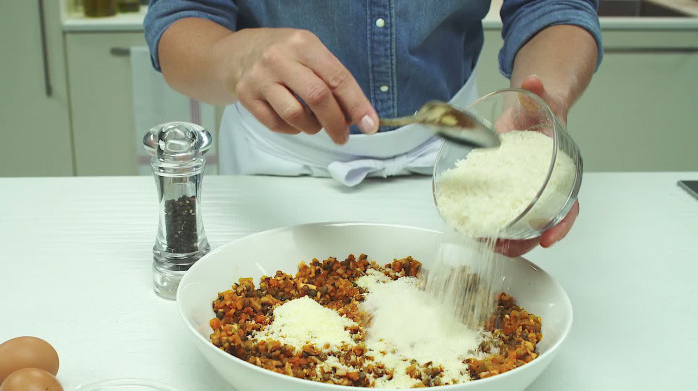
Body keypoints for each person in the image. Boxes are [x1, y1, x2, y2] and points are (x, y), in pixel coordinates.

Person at [142, 1, 601, 256]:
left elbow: (553, 5)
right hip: (279, 171)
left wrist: (545, 102)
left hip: (453, 160)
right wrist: (241, 57)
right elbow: (179, 19)